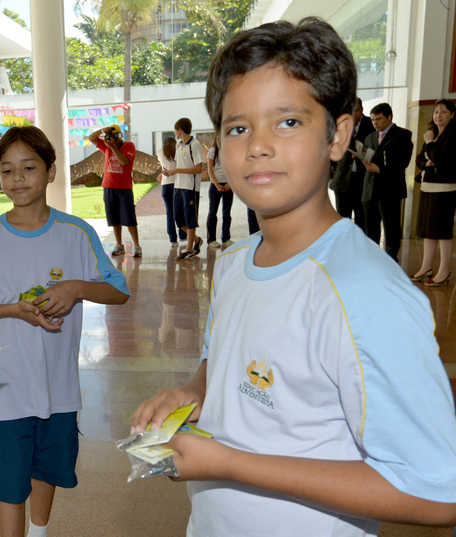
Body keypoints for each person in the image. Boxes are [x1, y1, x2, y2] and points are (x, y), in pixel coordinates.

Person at [131, 17, 456, 536]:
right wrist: (193, 393)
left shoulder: (364, 293)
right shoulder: (234, 263)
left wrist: (230, 463)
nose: (257, 145)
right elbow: (220, 365)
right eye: (238, 128)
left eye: (287, 122)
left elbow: (436, 491)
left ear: (338, 135)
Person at [0, 126, 129, 537]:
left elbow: (119, 291)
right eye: (7, 170)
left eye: (29, 167)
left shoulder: (76, 233)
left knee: (48, 468)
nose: (18, 178)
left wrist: (76, 288)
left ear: (50, 171)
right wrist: (14, 310)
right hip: (9, 384)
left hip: (59, 382)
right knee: (11, 482)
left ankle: (39, 532)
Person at [410, 98, 456, 287]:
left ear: (452, 114)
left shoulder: (452, 135)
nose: (438, 115)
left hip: (445, 189)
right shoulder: (433, 134)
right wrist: (427, 162)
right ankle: (426, 267)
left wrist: (430, 144)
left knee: (443, 231)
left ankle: (444, 270)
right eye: (436, 111)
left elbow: (441, 159)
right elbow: (420, 160)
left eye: (444, 111)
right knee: (428, 230)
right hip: (427, 187)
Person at [362, 102, 414, 261]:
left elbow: (402, 163)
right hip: (370, 188)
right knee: (371, 228)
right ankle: (373, 259)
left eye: (378, 119)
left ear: (389, 117)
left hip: (390, 189)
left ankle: (390, 260)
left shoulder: (402, 135)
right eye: (372, 120)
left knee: (391, 228)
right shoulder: (370, 137)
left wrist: (379, 169)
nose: (375, 123)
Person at [88, 124, 141, 257]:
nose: (114, 139)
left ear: (120, 135)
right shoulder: (106, 145)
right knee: (114, 219)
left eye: (117, 136)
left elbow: (124, 162)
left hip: (124, 188)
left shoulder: (129, 146)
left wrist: (112, 147)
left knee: (129, 218)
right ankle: (119, 245)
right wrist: (102, 130)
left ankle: (136, 245)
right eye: (111, 137)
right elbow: (91, 138)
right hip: (108, 187)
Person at [329, 97, 374, 231]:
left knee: (362, 221)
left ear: (362, 110)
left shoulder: (371, 125)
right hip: (342, 180)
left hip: (363, 180)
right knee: (343, 222)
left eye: (356, 110)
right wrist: (332, 176)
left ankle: (359, 244)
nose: (353, 114)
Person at [167, 118, 204, 259]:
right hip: (178, 186)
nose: (174, 133)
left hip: (190, 188)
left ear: (180, 129)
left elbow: (198, 168)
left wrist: (177, 170)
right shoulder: (178, 146)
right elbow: (181, 165)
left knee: (190, 219)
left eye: (175, 130)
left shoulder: (195, 145)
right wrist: (171, 172)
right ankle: (196, 240)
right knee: (178, 219)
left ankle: (189, 249)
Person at [157, 136, 187, 247]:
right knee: (180, 211)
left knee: (169, 212)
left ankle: (173, 239)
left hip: (165, 185)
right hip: (177, 184)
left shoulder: (160, 153)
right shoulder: (178, 152)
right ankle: (183, 235)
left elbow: (164, 167)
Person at [205, 134, 233, 247]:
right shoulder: (212, 151)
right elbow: (210, 170)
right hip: (215, 186)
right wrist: (217, 184)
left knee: (227, 213)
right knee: (213, 213)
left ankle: (226, 238)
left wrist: (229, 183)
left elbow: (233, 168)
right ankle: (211, 239)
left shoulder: (230, 151)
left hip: (228, 185)